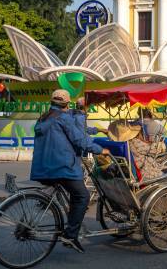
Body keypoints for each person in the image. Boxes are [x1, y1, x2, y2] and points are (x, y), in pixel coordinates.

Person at [30, 89, 109, 253]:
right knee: (83, 196)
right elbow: (80, 140)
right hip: (61, 167)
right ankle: (71, 235)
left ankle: (70, 226)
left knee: (74, 194)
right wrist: (100, 150)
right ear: (67, 104)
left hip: (42, 167)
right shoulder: (64, 118)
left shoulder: (43, 118)